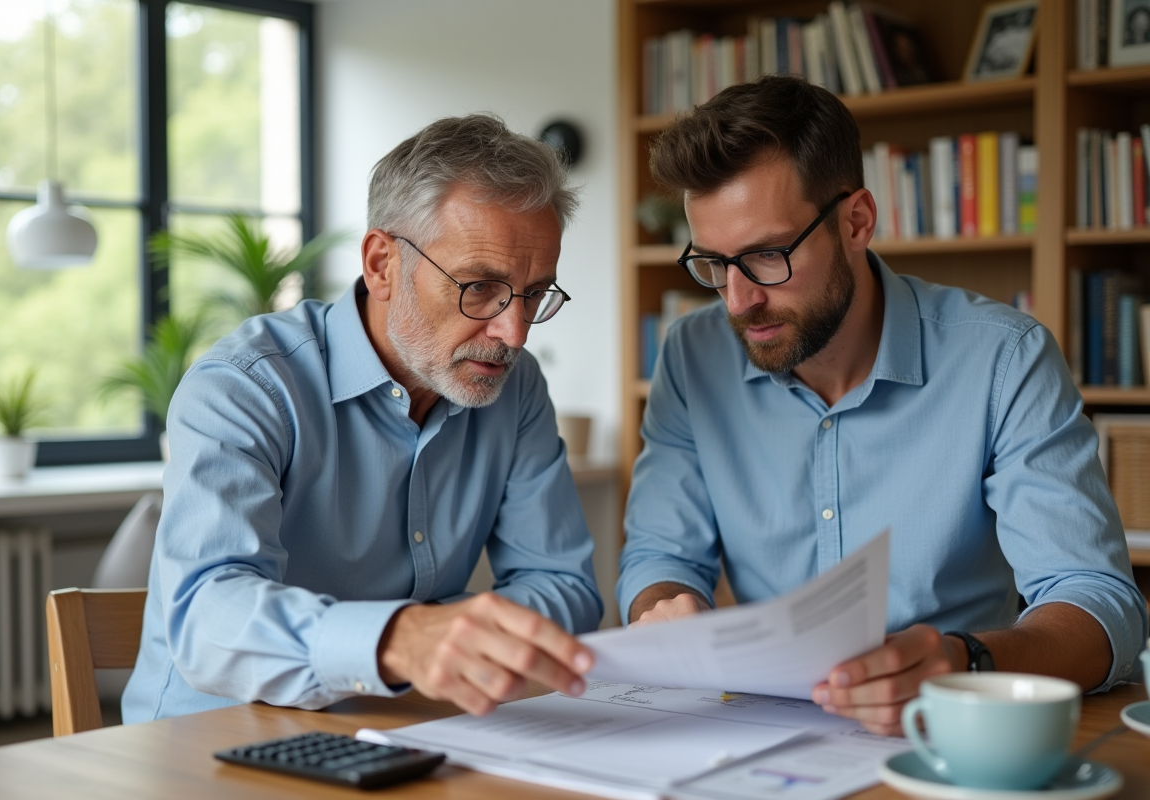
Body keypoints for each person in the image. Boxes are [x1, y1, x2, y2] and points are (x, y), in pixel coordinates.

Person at [617, 75, 1148, 736]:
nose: (738, 300)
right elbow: (659, 556)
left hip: (954, 733)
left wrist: (965, 663)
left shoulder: (1004, 359)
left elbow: (1099, 602)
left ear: (857, 222)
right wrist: (667, 609)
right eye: (713, 263)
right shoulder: (691, 357)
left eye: (767, 256)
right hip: (759, 737)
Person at [124, 114, 602, 723]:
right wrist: (400, 640)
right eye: (480, 287)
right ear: (382, 265)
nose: (514, 333)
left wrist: (441, 641)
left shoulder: (515, 387)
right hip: (208, 737)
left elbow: (564, 587)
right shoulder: (245, 386)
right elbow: (207, 620)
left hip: (407, 727)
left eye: (534, 294)